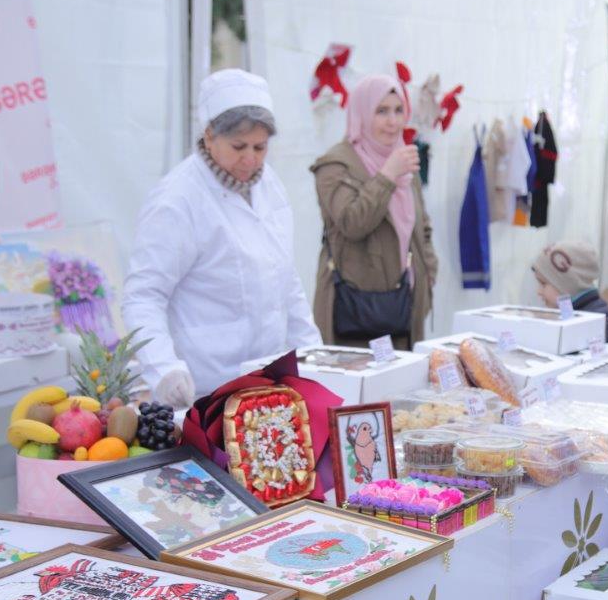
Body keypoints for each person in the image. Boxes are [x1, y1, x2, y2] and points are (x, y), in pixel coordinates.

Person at [124, 69, 320, 406]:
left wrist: (313, 351)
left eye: (260, 147)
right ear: (210, 134)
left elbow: (287, 281)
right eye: (238, 146)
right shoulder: (178, 199)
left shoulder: (268, 185)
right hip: (206, 388)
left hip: (270, 383)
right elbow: (143, 296)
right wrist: (164, 368)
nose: (250, 158)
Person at [311, 74, 439, 349]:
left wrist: (428, 271)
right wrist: (386, 176)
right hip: (357, 312)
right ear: (362, 113)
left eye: (398, 110)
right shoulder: (335, 166)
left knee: (403, 388)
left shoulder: (403, 158)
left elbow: (422, 226)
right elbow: (352, 222)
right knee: (362, 390)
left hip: (404, 308)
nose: (393, 122)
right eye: (381, 111)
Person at [530, 241, 608, 346]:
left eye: (543, 284)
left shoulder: (599, 324)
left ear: (567, 284)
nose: (538, 292)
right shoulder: (571, 315)